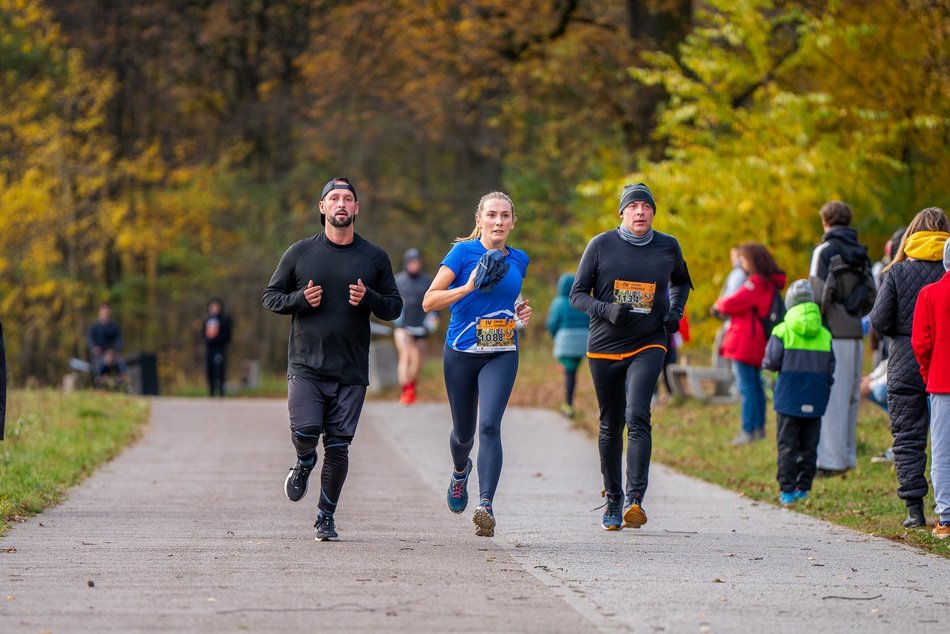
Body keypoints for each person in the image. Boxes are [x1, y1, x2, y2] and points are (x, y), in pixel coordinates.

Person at [262, 176, 402, 542]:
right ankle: (305, 460)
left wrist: (370, 298)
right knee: (306, 432)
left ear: (356, 208)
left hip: (351, 370)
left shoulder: (374, 257)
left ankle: (325, 517)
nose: (341, 204)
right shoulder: (300, 253)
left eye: (348, 199)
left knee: (338, 448)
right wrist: (299, 301)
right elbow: (271, 296)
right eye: (334, 198)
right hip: (306, 365)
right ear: (322, 207)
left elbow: (395, 306)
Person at [569, 183, 691, 532]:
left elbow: (681, 282)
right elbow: (577, 295)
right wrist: (606, 310)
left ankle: (635, 499)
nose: (640, 212)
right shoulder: (600, 245)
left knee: (638, 413)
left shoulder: (668, 246)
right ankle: (613, 498)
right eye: (633, 206)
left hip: (648, 341)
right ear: (622, 213)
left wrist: (676, 310)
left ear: (653, 212)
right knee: (611, 424)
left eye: (646, 206)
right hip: (604, 345)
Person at [422, 191, 532, 538]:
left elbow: (506, 301)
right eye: (492, 216)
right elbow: (429, 301)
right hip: (461, 353)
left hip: (501, 351)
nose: (498, 222)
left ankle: (485, 505)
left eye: (504, 216)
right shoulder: (462, 253)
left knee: (489, 426)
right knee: (464, 434)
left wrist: (517, 313)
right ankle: (459, 472)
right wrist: (467, 287)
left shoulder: (520, 259)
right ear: (479, 220)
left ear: (513, 222)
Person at [870, 207, 949, 528]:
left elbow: (879, 320)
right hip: (944, 360)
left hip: (904, 361)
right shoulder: (947, 271)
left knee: (907, 436)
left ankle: (915, 511)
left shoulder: (897, 272)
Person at [809, 200, 876, 477]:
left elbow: (816, 293)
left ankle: (830, 462)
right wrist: (855, 313)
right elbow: (873, 292)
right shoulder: (861, 253)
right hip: (855, 335)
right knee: (850, 397)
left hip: (831, 333)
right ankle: (848, 456)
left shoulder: (824, 251)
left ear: (825, 222)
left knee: (832, 398)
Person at [761, 280, 835, 505]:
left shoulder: (781, 330)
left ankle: (787, 491)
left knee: (787, 446)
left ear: (789, 304)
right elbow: (831, 367)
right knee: (810, 445)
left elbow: (771, 361)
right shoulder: (825, 333)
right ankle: (804, 488)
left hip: (787, 398)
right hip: (816, 397)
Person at [713, 242, 786, 445]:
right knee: (755, 386)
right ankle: (758, 428)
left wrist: (718, 304)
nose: (740, 263)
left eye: (743, 259)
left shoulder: (755, 283)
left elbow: (730, 302)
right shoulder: (768, 283)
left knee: (747, 387)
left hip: (745, 341)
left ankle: (748, 429)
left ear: (752, 260)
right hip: (756, 340)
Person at [911, 238, 950, 539]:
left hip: (942, 380)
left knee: (943, 450)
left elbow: (921, 343)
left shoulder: (930, 294)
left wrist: (927, 371)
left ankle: (946, 517)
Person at [393, 248, 436, 405]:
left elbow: (434, 307)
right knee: (405, 355)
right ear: (406, 263)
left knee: (418, 361)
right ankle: (406, 391)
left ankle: (411, 385)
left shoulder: (427, 281)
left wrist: (432, 324)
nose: (415, 264)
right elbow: (392, 304)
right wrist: (397, 319)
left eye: (417, 261)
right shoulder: (398, 281)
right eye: (412, 262)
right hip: (403, 327)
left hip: (421, 327)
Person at [546, 272, 590, 418]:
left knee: (570, 374)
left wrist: (554, 337)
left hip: (566, 343)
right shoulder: (583, 300)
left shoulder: (559, 302)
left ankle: (568, 405)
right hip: (586, 342)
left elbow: (552, 324)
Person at [711, 247, 747, 369]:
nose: (732, 259)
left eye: (734, 255)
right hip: (734, 321)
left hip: (732, 322)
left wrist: (719, 307)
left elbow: (731, 296)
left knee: (727, 355)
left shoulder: (738, 273)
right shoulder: (741, 273)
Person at [87, 302, 126, 389]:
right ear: (100, 312)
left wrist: (112, 352)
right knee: (99, 363)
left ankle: (122, 379)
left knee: (120, 362)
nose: (105, 314)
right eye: (103, 312)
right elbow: (90, 340)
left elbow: (119, 341)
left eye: (107, 312)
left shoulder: (114, 327)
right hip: (99, 354)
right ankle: (100, 379)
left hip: (112, 353)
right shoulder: (94, 327)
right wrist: (94, 348)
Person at [203, 298, 233, 397]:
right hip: (209, 349)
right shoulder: (207, 319)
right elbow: (203, 333)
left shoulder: (224, 320)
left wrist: (218, 342)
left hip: (219, 349)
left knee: (219, 371)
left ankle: (221, 392)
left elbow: (227, 335)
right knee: (209, 370)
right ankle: (211, 392)